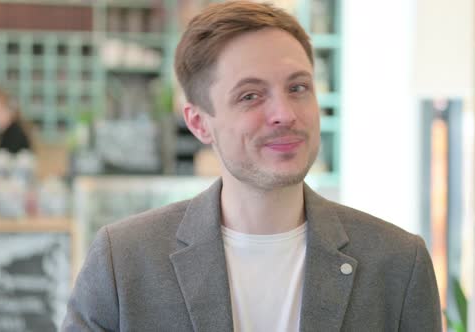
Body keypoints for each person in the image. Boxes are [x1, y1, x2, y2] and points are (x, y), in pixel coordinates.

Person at [62, 1, 441, 331]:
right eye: (250, 95)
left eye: (297, 88)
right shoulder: (125, 261)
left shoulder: (397, 264)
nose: (284, 114)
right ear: (199, 123)